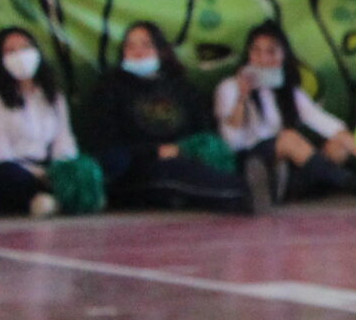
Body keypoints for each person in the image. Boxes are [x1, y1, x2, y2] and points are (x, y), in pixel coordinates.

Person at [82, 21, 256, 213]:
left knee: (201, 169)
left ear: (161, 50)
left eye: (146, 45)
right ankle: (242, 193)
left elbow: (202, 133)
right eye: (130, 46)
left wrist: (184, 149)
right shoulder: (109, 89)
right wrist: (154, 151)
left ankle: (246, 190)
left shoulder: (181, 88)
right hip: (134, 169)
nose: (138, 51)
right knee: (171, 175)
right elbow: (105, 144)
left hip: (183, 158)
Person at [212, 23, 356, 206]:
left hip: (283, 164)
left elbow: (317, 118)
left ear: (283, 56)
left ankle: (280, 189)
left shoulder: (288, 91)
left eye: (271, 52)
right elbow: (232, 138)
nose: (263, 59)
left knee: (338, 148)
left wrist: (352, 142)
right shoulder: (229, 87)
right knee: (288, 138)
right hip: (248, 159)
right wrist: (242, 97)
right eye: (256, 51)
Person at [0, 28, 85, 217]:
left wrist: (61, 172)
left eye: (25, 48)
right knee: (4, 180)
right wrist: (35, 175)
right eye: (10, 51)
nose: (20, 55)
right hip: (10, 171)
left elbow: (64, 140)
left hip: (47, 169)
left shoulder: (54, 97)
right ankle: (42, 200)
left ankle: (48, 199)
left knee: (83, 172)